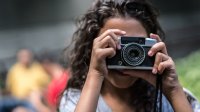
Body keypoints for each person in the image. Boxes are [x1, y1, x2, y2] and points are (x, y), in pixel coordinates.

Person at [59, 0, 200, 112]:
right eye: (114, 44)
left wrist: (173, 90)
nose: (127, 55)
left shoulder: (167, 98)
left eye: (136, 47)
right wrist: (95, 73)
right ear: (92, 49)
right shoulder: (77, 100)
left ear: (153, 46)